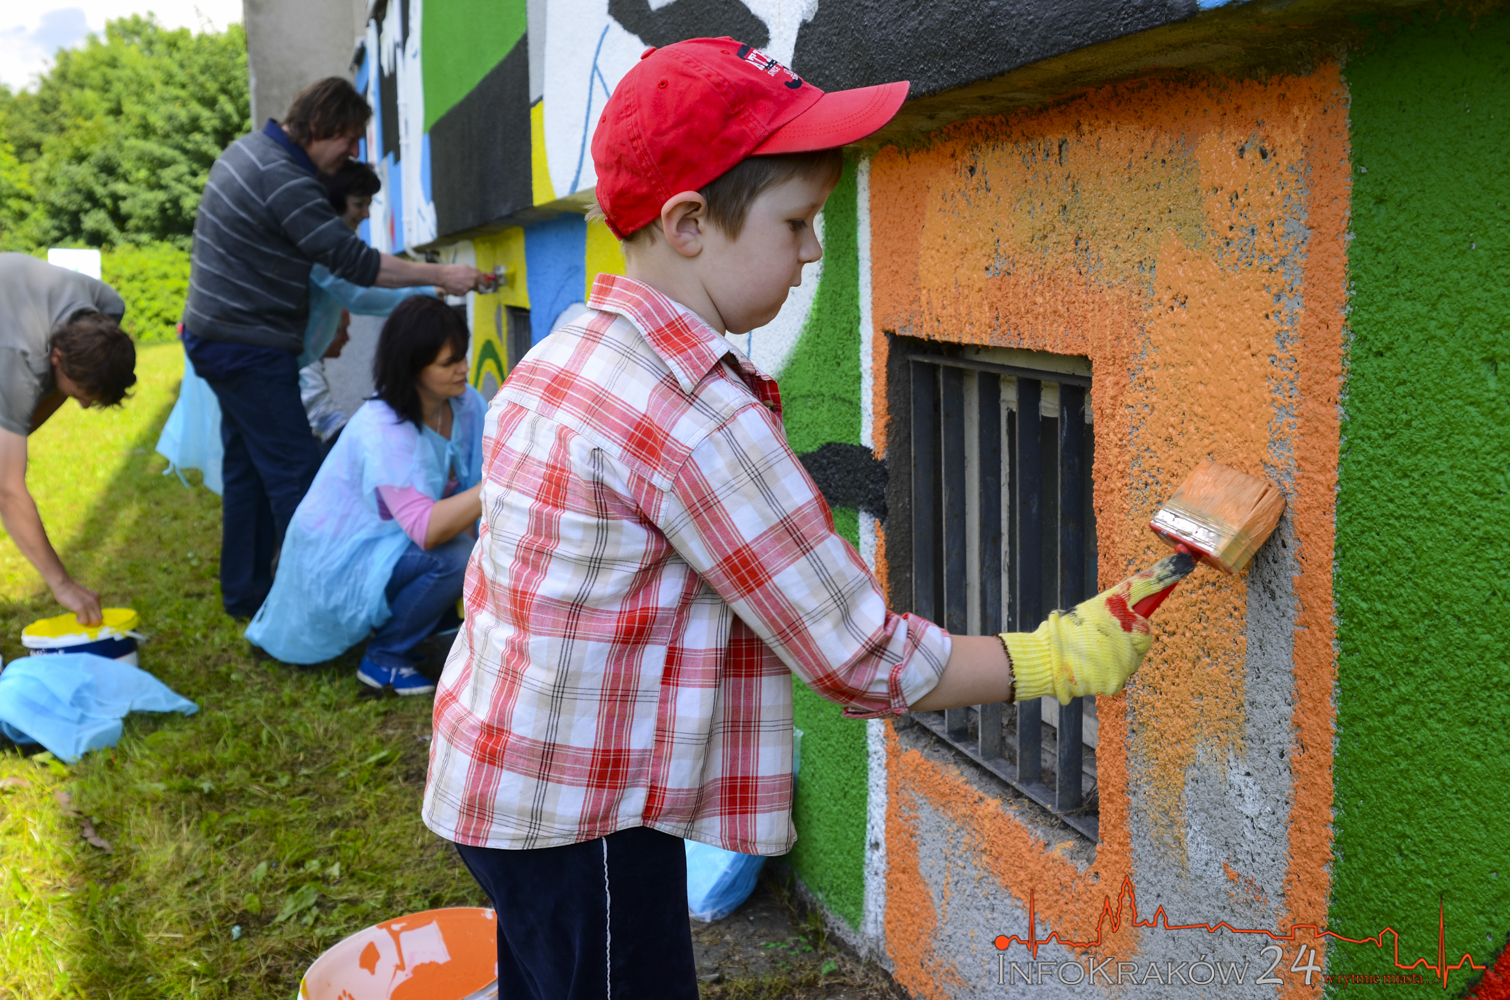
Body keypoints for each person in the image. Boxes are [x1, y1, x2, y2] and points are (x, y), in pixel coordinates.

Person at [420, 38, 1194, 1000]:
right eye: (796, 222)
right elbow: (859, 657)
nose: (814, 249)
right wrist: (1055, 659)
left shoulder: (568, 353)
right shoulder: (694, 417)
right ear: (690, 223)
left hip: (497, 780)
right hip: (586, 822)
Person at [183, 76, 488, 618]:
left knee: (248, 469)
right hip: (247, 345)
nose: (351, 154)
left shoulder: (250, 152)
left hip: (218, 337)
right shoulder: (284, 177)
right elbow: (354, 265)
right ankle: (316, 609)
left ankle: (246, 594)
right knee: (297, 477)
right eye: (349, 141)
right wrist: (443, 275)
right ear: (322, 125)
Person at [245, 296, 484, 693]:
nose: (463, 368)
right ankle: (384, 658)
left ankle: (428, 622)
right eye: (448, 363)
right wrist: (497, 485)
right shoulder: (383, 427)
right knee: (456, 555)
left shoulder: (465, 403)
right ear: (412, 367)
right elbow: (427, 529)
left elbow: (471, 496)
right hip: (339, 558)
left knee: (467, 548)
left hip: (388, 542)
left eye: (462, 356)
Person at [0, 253, 136, 626]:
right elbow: (7, 491)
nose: (85, 404)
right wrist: (62, 584)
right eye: (81, 394)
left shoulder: (108, 309)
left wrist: (14, 436)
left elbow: (47, 394)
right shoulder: (19, 359)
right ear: (57, 358)